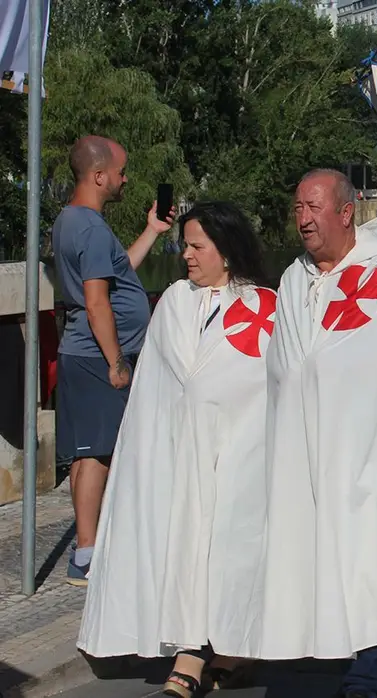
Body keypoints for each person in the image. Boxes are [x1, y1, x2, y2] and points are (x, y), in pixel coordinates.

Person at [257, 169, 377, 698]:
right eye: (297, 208)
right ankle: (313, 648)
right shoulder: (295, 277)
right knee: (313, 550)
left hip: (371, 449)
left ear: (346, 212)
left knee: (367, 557)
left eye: (314, 207)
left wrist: (339, 386)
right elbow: (284, 361)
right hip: (304, 444)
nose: (303, 218)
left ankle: (366, 669)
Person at [77, 202, 271, 697]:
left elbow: (264, 384)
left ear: (225, 252)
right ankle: (189, 653)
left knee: (230, 557)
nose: (184, 254)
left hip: (239, 456)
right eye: (184, 244)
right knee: (184, 551)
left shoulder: (265, 306)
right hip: (178, 457)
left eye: (195, 246)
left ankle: (230, 648)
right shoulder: (175, 303)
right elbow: (157, 390)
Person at [52, 135, 172, 585]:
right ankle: (86, 554)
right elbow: (98, 302)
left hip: (82, 352)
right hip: (95, 355)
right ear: (99, 176)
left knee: (87, 453)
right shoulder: (89, 228)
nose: (125, 179)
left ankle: (89, 543)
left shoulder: (73, 221)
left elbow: (118, 272)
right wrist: (116, 362)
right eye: (120, 172)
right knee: (97, 453)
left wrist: (153, 232)